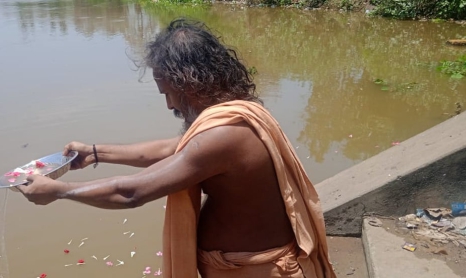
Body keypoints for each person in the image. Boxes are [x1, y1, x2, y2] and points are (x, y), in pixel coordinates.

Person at [18, 18, 336, 278]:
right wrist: (97, 152)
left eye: (167, 92)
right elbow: (175, 149)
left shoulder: (223, 136)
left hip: (259, 271)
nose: (169, 103)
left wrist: (58, 191)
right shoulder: (235, 114)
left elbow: (132, 193)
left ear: (189, 82)